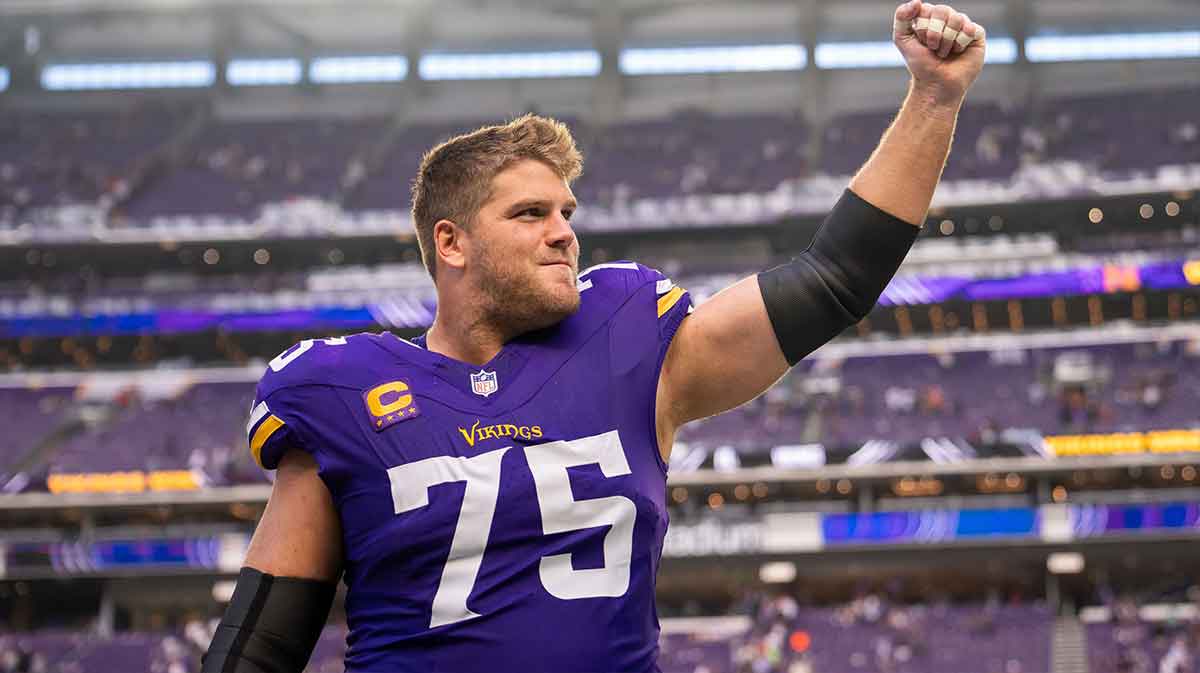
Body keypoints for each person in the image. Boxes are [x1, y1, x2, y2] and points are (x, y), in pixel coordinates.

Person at [202, 2, 986, 671]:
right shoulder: (343, 390)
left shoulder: (628, 345)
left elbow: (833, 279)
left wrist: (933, 100)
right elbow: (262, 644)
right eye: (530, 214)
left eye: (567, 214)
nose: (562, 234)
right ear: (451, 243)